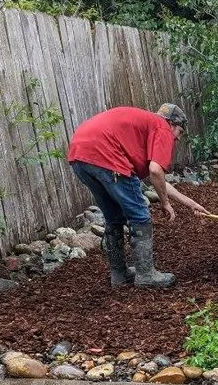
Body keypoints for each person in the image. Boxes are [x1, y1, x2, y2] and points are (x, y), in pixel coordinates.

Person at [67, 103, 208, 288]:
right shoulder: (162, 127)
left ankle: (119, 274)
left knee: (114, 217)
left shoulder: (145, 126)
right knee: (140, 215)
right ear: (171, 124)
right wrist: (165, 203)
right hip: (106, 153)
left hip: (79, 154)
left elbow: (158, 178)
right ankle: (146, 275)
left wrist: (191, 204)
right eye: (180, 132)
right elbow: (156, 170)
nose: (178, 138)